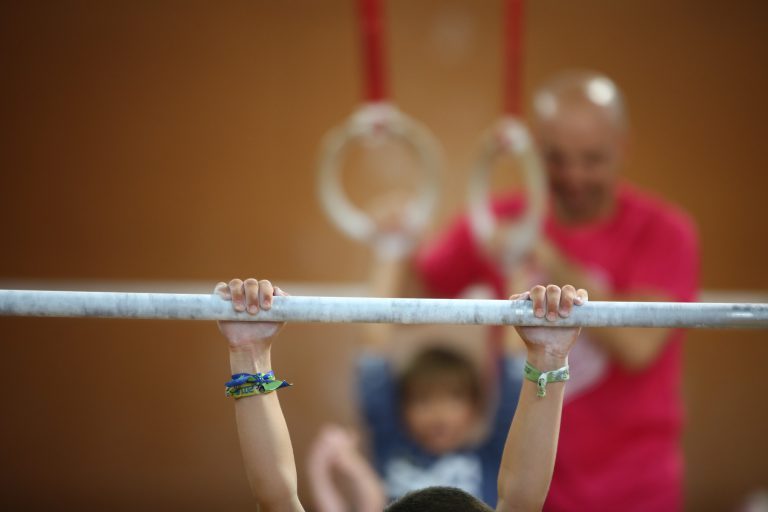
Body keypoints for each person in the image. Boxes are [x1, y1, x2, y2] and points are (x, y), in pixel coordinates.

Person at [395, 71, 699, 511]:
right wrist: (399, 242)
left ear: (622, 148)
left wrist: (547, 254)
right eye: (557, 159)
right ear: (536, 153)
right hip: (526, 489)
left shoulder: (667, 233)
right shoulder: (499, 219)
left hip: (637, 490)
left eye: (592, 159)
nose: (574, 175)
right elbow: (405, 305)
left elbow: (638, 344)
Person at [214, 277, 588, 512]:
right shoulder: (394, 443)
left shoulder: (482, 454)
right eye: (425, 400)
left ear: (473, 408)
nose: (439, 413)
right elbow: (523, 500)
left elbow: (276, 500)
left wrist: (250, 355)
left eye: (452, 399)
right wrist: (547, 358)